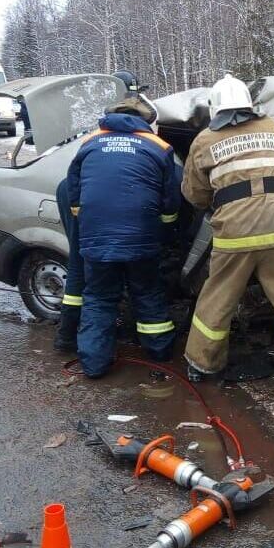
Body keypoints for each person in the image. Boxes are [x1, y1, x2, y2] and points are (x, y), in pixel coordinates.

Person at [182, 74, 274, 407]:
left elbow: (194, 193)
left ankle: (201, 366)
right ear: (251, 106)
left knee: (217, 299)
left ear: (216, 109)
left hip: (235, 232)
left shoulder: (205, 140)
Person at [67, 98, 180, 378]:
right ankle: (159, 351)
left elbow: (74, 194)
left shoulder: (89, 143)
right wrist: (166, 230)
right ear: (144, 120)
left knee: (99, 297)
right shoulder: (159, 146)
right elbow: (170, 200)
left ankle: (93, 365)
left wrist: (92, 227)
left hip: (97, 237)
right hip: (141, 235)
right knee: (147, 290)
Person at [52, 176, 84, 352]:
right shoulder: (159, 152)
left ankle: (66, 335)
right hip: (89, 191)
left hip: (72, 186)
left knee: (78, 263)